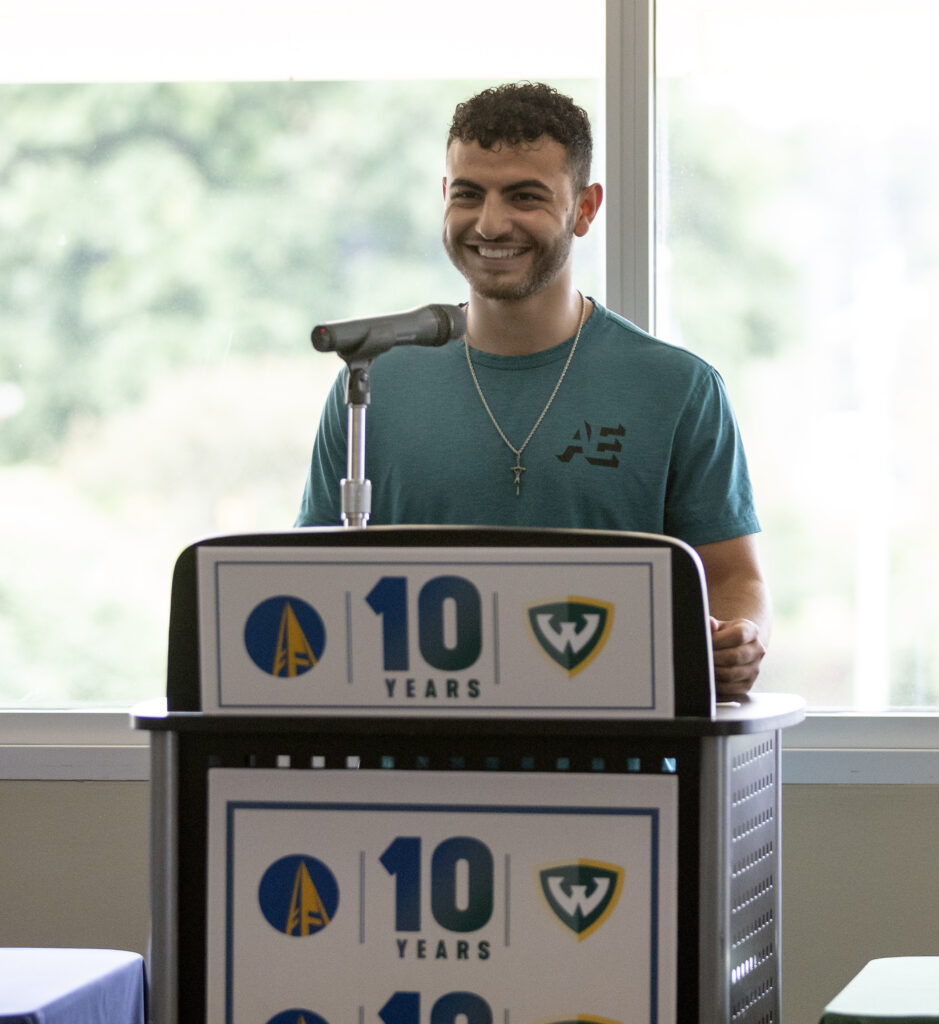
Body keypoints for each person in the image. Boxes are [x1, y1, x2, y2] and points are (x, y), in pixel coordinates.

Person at [295, 82, 769, 696]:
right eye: (469, 194)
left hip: (617, 762)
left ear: (585, 209)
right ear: (445, 196)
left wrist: (737, 637)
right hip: (412, 762)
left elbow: (733, 576)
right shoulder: (370, 383)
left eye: (524, 196)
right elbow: (308, 579)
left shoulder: (679, 388)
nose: (491, 223)